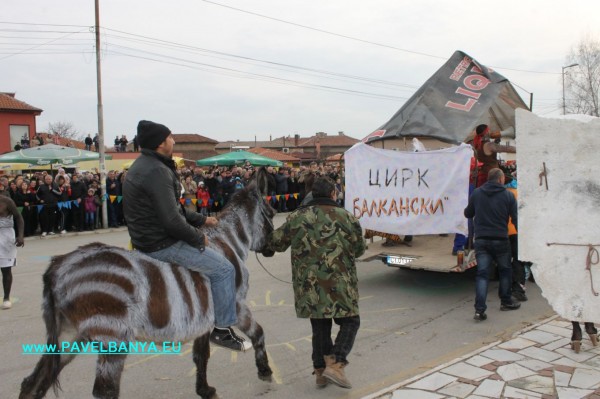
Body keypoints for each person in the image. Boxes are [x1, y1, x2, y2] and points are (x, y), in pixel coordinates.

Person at [123, 120, 251, 352]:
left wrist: (202, 220)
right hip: (160, 242)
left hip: (145, 237)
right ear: (161, 143)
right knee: (224, 269)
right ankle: (222, 329)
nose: (174, 140)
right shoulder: (157, 171)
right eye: (170, 137)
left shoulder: (145, 165)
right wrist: (197, 237)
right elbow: (171, 220)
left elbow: (173, 209)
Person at [265, 176, 366, 389]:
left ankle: (320, 371)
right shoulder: (346, 217)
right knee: (351, 322)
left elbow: (275, 243)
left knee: (320, 325)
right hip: (339, 283)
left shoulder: (297, 216)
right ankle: (336, 364)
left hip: (309, 284)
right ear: (332, 194)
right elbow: (359, 249)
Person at [464, 168, 520, 321]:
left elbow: (468, 213)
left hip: (482, 240)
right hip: (501, 239)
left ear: (489, 179)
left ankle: (479, 310)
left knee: (482, 274)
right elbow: (515, 219)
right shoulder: (508, 195)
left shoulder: (477, 193)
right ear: (501, 179)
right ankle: (506, 301)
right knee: (505, 271)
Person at [0, 196, 25, 309]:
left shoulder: (7, 201)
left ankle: (6, 298)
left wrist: (20, 235)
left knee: (6, 269)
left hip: (5, 237)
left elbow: (19, 217)